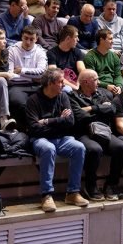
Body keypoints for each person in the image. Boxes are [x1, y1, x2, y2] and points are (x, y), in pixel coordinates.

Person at [25, 69, 89, 212]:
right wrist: (60, 121)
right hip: (40, 139)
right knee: (49, 148)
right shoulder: (33, 100)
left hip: (61, 138)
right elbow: (34, 128)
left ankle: (72, 193)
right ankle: (46, 195)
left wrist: (47, 121)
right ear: (50, 83)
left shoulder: (63, 96)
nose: (64, 84)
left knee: (79, 147)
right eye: (60, 82)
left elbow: (70, 122)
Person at [68, 70, 123, 201]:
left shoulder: (102, 93)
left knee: (121, 147)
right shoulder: (72, 97)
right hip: (84, 132)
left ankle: (111, 184)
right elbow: (79, 117)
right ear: (86, 82)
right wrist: (101, 109)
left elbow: (112, 109)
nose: (99, 82)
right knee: (95, 149)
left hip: (103, 130)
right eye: (96, 79)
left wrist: (92, 108)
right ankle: (90, 185)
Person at [8, 26, 48, 126]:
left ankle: (41, 128)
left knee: (46, 101)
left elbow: (41, 72)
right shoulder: (12, 50)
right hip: (17, 85)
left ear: (36, 39)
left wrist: (21, 70)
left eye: (31, 39)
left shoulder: (40, 51)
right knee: (18, 102)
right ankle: (25, 129)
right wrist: (33, 78)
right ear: (22, 36)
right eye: (26, 38)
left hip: (37, 85)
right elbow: (10, 75)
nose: (28, 42)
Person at [46, 25, 86, 92]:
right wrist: (74, 87)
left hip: (77, 83)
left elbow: (82, 71)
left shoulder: (77, 51)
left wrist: (78, 84)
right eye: (76, 37)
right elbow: (55, 75)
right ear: (68, 38)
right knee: (67, 89)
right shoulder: (51, 54)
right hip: (62, 85)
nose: (78, 39)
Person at [82, 29, 123, 94]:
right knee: (109, 95)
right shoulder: (90, 56)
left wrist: (119, 86)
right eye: (110, 39)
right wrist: (106, 86)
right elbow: (91, 78)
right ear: (101, 40)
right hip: (99, 86)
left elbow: (118, 75)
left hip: (113, 86)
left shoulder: (114, 56)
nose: (112, 41)